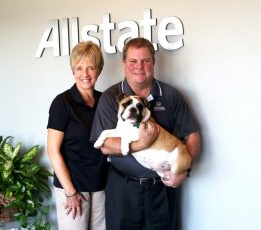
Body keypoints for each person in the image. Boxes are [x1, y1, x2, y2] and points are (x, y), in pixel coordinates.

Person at [90, 37, 201, 230]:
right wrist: (141, 143)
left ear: (153, 62)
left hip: (162, 189)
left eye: (145, 61)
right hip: (123, 189)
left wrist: (184, 171)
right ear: (124, 63)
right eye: (133, 61)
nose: (139, 67)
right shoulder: (111, 97)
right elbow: (105, 145)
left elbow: (192, 135)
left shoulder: (171, 95)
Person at [46, 41, 108, 230]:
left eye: (90, 68)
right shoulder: (62, 103)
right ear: (73, 70)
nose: (85, 74)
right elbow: (53, 151)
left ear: (99, 70)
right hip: (73, 187)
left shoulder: (105, 100)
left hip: (101, 186)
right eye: (79, 68)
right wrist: (70, 192)